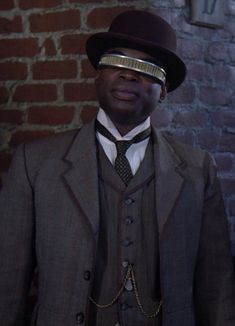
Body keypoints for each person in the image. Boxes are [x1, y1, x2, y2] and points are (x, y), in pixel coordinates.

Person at [0, 9, 235, 326]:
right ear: (98, 73)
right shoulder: (35, 163)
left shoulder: (197, 169)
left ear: (163, 90)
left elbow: (216, 282)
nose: (129, 74)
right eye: (118, 62)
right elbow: (8, 282)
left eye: (146, 67)